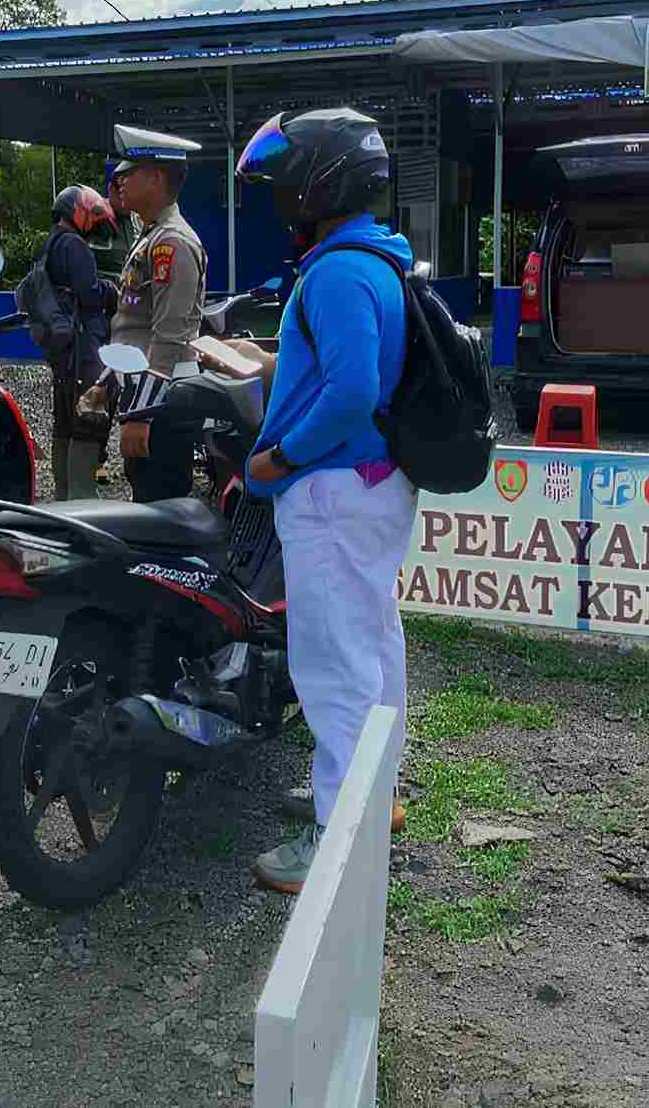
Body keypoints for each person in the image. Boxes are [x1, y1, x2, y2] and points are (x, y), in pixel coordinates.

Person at [231, 107, 418, 896]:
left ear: (321, 180)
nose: (278, 191)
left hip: (334, 489)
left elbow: (350, 393)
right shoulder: (377, 259)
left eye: (286, 176)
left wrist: (274, 456)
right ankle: (373, 793)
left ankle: (338, 840)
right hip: (372, 484)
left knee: (332, 664)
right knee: (371, 641)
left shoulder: (337, 270)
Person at [108, 137, 207, 502]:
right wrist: (107, 382)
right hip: (146, 392)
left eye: (128, 173)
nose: (119, 180)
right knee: (145, 500)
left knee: (162, 508)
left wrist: (142, 414)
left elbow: (168, 336)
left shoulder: (172, 242)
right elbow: (132, 324)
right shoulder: (150, 237)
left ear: (155, 178)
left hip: (163, 400)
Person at [40, 184, 120, 499]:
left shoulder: (48, 246)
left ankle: (63, 499)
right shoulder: (75, 246)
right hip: (85, 352)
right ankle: (83, 500)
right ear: (80, 211)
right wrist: (111, 291)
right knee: (88, 424)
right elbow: (88, 295)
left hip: (61, 353)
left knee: (64, 426)